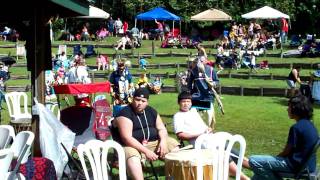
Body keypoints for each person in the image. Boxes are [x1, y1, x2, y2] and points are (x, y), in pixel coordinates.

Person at [173, 91, 250, 180]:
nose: (186, 104)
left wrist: (208, 128)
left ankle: (258, 168)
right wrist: (199, 134)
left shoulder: (193, 111)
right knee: (224, 156)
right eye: (183, 101)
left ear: (191, 102)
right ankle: (245, 178)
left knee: (235, 152)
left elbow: (206, 114)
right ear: (179, 103)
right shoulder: (178, 116)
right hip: (201, 144)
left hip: (212, 138)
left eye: (188, 101)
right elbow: (180, 135)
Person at [113, 88, 180, 180]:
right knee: (133, 158)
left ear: (147, 102)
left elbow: (161, 128)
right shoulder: (125, 113)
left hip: (153, 142)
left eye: (143, 101)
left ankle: (172, 177)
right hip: (132, 146)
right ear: (132, 99)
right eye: (137, 100)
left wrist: (163, 142)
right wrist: (146, 151)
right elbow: (126, 138)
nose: (140, 103)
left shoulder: (151, 111)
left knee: (173, 145)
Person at [249, 94, 319, 180]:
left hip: (295, 166)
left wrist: (276, 158)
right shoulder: (310, 125)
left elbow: (286, 152)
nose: (287, 109)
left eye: (289, 107)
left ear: (295, 109)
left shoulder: (296, 128)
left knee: (253, 160)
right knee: (259, 175)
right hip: (308, 165)